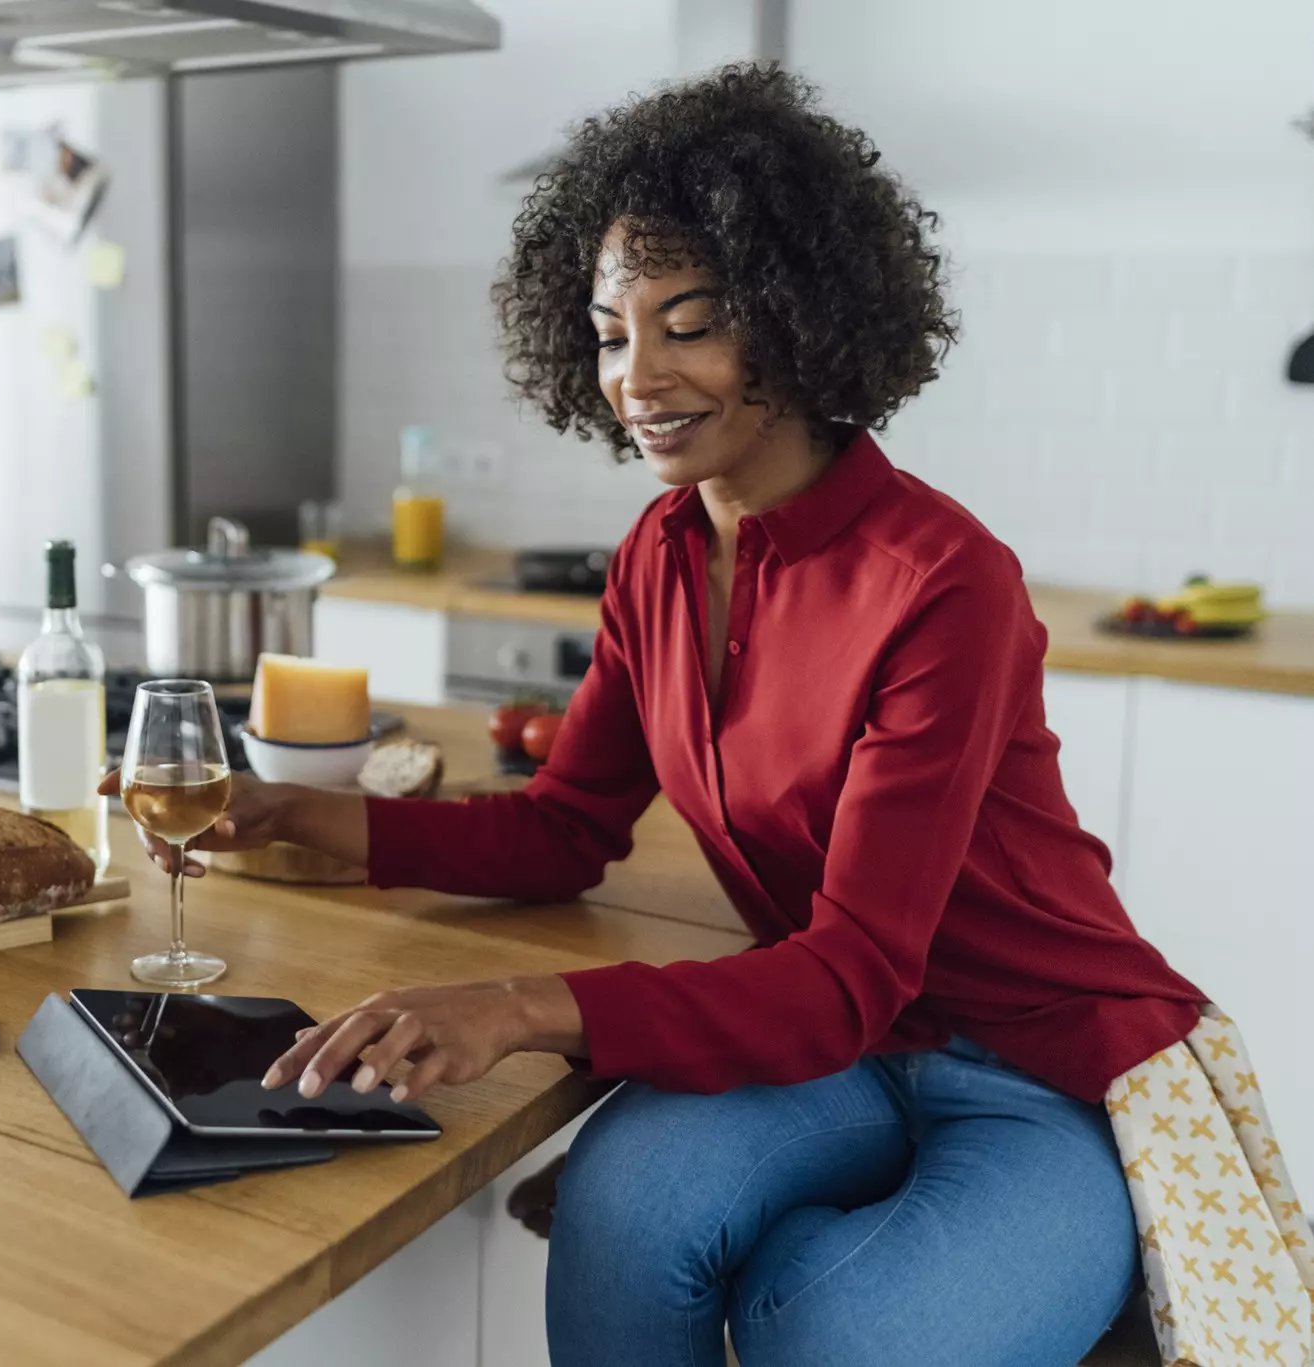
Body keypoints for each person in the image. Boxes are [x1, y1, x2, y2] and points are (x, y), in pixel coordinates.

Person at [104, 65, 1203, 1365]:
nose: (637, 374)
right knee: (623, 1208)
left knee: (832, 1320)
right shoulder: (658, 553)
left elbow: (852, 967)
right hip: (835, 1047)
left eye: (689, 323)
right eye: (612, 331)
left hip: (1031, 1060)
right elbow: (565, 828)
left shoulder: (940, 580)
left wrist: (515, 1005)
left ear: (796, 322)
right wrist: (303, 810)